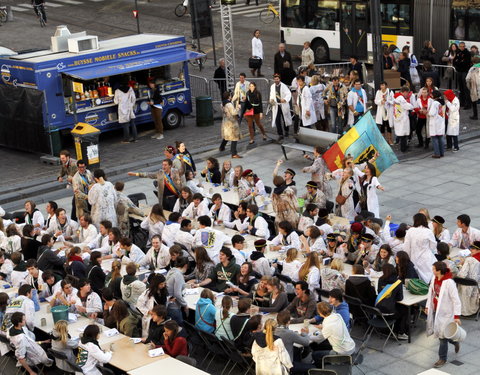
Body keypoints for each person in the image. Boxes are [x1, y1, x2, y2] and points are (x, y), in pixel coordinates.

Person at [426, 261, 462, 368]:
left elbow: (456, 300)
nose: (432, 271)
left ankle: (442, 358)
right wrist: (428, 306)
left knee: (442, 337)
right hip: (437, 310)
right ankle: (455, 341)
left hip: (447, 313)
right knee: (443, 335)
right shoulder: (434, 279)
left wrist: (456, 316)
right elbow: (431, 293)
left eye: (433, 269)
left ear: (439, 271)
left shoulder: (449, 283)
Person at [404, 213, 437, 283]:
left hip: (414, 257)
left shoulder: (410, 231)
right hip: (426, 257)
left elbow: (406, 247)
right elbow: (433, 246)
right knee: (429, 276)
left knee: (416, 276)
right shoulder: (428, 231)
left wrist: (407, 258)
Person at [457, 241, 480, 316]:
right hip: (477, 286)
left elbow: (461, 275)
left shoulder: (469, 259)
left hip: (467, 284)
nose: (470, 250)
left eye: (473, 249)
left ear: (478, 250)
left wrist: (460, 265)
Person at [269, 73, 292, 141]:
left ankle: (286, 131)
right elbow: (271, 94)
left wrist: (284, 99)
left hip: (283, 105)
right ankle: (280, 134)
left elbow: (288, 94)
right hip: (276, 105)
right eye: (275, 79)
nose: (276, 80)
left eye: (277, 79)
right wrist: (271, 100)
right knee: (277, 120)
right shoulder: (272, 86)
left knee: (285, 118)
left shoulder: (284, 86)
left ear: (279, 79)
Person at [166, 257, 189, 324]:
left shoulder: (171, 271)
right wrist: (185, 305)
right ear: (185, 266)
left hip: (168, 304)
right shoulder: (178, 275)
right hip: (174, 307)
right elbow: (177, 294)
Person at [219, 92, 242, 158]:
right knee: (234, 137)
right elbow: (234, 112)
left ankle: (222, 147)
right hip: (231, 122)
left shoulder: (222, 103)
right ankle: (234, 153)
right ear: (229, 96)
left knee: (227, 136)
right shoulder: (229, 104)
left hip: (225, 121)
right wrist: (238, 108)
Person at [393, 86, 415, 152]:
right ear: (405, 92)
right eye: (407, 93)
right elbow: (408, 106)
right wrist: (412, 106)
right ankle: (404, 149)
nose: (407, 94)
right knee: (403, 135)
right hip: (402, 119)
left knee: (402, 134)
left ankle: (404, 147)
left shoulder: (397, 98)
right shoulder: (401, 99)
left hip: (398, 117)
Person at [453, 42, 472, 109]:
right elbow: (454, 61)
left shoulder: (467, 53)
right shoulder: (458, 52)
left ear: (465, 46)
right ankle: (462, 102)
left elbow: (466, 63)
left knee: (466, 88)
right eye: (460, 46)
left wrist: (459, 61)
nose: (462, 47)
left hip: (465, 72)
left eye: (463, 46)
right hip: (459, 72)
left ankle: (468, 104)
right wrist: (459, 62)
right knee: (460, 88)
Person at [374, 81, 394, 145]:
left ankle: (389, 139)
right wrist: (381, 101)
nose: (382, 86)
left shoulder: (390, 92)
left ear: (386, 86)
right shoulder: (378, 92)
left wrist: (387, 101)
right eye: (381, 85)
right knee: (382, 126)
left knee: (388, 126)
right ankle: (382, 141)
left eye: (383, 85)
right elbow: (376, 101)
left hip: (388, 110)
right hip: (381, 111)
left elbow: (393, 101)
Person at [428, 90, 446, 158]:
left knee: (434, 138)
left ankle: (437, 153)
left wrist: (428, 112)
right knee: (440, 137)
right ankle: (442, 152)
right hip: (440, 121)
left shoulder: (434, 103)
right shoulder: (442, 102)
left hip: (435, 122)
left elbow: (431, 113)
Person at [466, 56, 480, 120]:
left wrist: (469, 87)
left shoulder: (472, 69)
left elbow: (467, 79)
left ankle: (475, 115)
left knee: (474, 101)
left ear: (473, 62)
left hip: (474, 87)